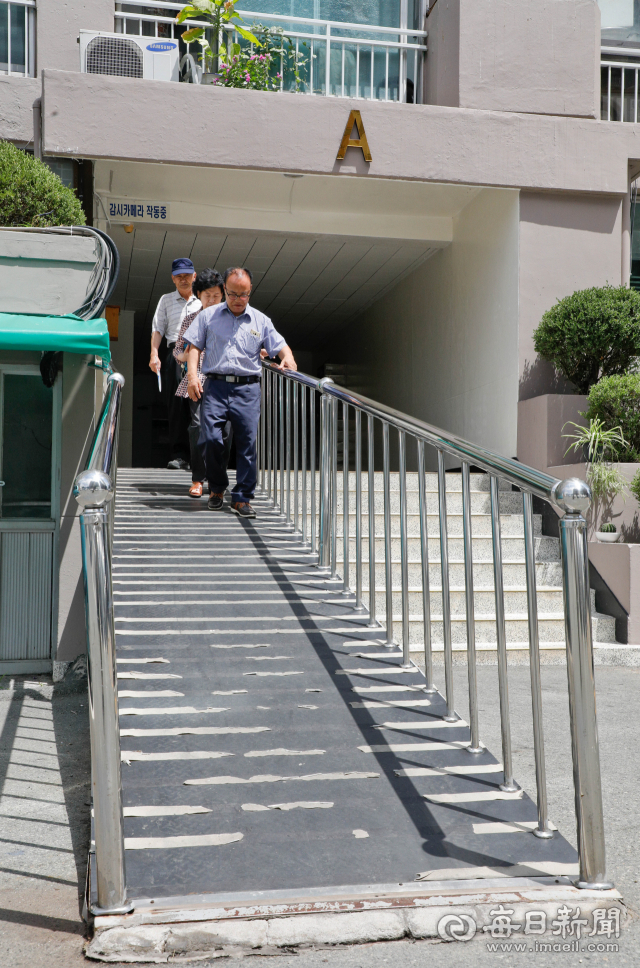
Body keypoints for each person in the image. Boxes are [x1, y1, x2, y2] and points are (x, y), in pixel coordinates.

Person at [183, 266, 297, 518]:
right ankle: (217, 488)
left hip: (247, 389)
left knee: (247, 443)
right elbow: (193, 347)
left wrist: (288, 358)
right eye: (232, 294)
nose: (237, 300)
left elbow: (280, 347)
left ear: (250, 293)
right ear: (225, 290)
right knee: (209, 438)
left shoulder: (260, 320)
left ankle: (242, 497)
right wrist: (192, 376)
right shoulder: (208, 316)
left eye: (243, 295)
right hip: (215, 385)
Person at [173, 269, 226, 498]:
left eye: (216, 296)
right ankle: (198, 479)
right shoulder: (190, 320)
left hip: (224, 382)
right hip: (196, 380)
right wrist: (187, 356)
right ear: (199, 295)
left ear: (223, 295)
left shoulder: (231, 319)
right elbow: (177, 352)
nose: (212, 300)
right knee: (197, 427)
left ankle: (217, 481)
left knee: (223, 433)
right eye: (207, 296)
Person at [149, 257, 200, 470]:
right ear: (172, 279)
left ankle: (199, 456)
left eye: (187, 275)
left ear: (194, 277)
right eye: (179, 276)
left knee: (198, 405)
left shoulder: (203, 302)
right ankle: (180, 455)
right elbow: (158, 328)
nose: (183, 279)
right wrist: (154, 354)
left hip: (199, 356)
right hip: (174, 355)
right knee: (177, 406)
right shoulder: (165, 299)